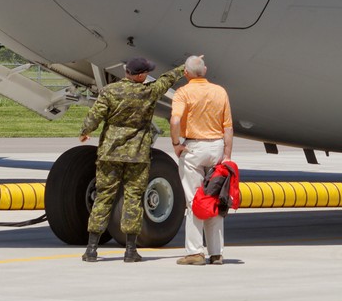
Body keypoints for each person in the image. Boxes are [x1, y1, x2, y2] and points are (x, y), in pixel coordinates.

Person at [79, 56, 184, 264]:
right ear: (142, 75)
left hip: (110, 153)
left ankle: (91, 249)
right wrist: (184, 66)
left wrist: (85, 131)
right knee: (133, 198)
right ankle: (130, 250)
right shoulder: (148, 91)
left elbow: (95, 115)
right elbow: (167, 79)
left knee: (103, 197)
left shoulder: (110, 91)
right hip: (137, 154)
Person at [169, 54, 233, 266]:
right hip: (216, 147)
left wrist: (176, 143)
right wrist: (227, 155)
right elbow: (228, 127)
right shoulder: (220, 91)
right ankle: (216, 253)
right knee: (215, 198)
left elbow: (175, 119)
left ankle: (195, 252)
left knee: (194, 200)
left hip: (194, 147)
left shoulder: (183, 93)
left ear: (186, 73)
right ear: (204, 71)